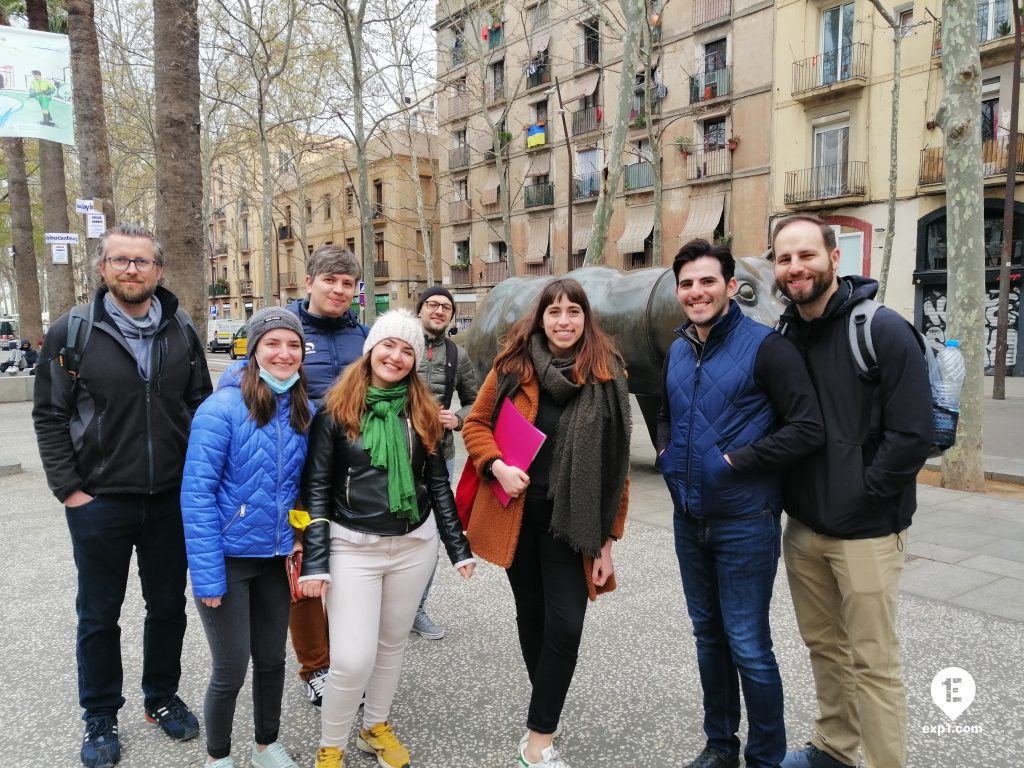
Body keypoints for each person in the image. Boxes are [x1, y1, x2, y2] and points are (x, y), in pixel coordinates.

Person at [33, 223, 212, 768]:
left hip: (170, 500)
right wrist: (70, 490)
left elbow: (201, 405)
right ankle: (100, 712)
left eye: (141, 261)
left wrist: (201, 484)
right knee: (98, 614)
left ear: (159, 270)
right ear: (103, 268)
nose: (131, 270)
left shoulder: (181, 328)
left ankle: (159, 698)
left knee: (167, 608)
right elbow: (50, 416)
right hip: (100, 501)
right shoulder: (72, 332)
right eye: (120, 260)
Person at [655, 240, 824, 768]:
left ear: (730, 287)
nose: (696, 292)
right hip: (690, 520)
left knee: (748, 644)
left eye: (707, 281)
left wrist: (734, 463)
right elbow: (663, 411)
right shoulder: (679, 347)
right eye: (686, 283)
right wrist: (664, 453)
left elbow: (808, 427)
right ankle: (720, 746)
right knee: (708, 638)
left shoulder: (766, 347)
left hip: (745, 521)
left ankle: (766, 757)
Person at [771, 215, 933, 768]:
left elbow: (915, 434)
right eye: (784, 258)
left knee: (874, 662)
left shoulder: (883, 330)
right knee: (825, 649)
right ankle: (835, 748)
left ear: (834, 258)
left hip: (866, 530)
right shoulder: (786, 335)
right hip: (805, 531)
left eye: (806, 255)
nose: (796, 268)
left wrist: (862, 495)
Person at [462, 278, 631, 768]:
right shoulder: (513, 366)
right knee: (532, 618)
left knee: (567, 626)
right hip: (518, 517)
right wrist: (495, 464)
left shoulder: (607, 373)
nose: (563, 321)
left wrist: (608, 541)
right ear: (540, 318)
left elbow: (618, 467)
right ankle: (547, 706)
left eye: (572, 312)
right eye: (553, 312)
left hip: (573, 524)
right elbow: (475, 425)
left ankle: (537, 739)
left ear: (586, 319)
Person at [298, 309, 475, 768]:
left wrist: (458, 547)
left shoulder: (422, 413)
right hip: (352, 545)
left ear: (416, 360)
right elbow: (315, 489)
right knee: (352, 659)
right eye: (389, 346)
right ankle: (331, 746)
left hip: (414, 545)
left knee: (391, 646)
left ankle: (374, 726)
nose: (396, 356)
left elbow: (437, 484)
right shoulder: (335, 412)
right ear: (371, 349)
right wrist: (315, 561)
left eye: (406, 350)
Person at [181, 307, 313, 768]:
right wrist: (208, 577)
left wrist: (299, 536)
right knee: (231, 668)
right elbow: (196, 494)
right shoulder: (221, 408)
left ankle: (265, 745)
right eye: (273, 343)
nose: (284, 353)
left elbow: (302, 487)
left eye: (293, 345)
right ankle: (218, 758)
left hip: (275, 559)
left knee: (273, 659)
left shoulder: (302, 408)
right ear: (255, 349)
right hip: (228, 561)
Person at [285, 245, 368, 707]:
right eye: (330, 280)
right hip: (297, 478)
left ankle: (349, 660)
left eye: (347, 283)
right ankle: (315, 668)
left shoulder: (366, 337)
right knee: (302, 571)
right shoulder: (286, 331)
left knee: (349, 570)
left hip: (352, 479)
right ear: (310, 282)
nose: (338, 290)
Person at [411, 285, 479, 640]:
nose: (439, 311)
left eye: (446, 308)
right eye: (433, 305)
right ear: (419, 308)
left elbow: (477, 400)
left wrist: (459, 418)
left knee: (432, 534)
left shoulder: (458, 355)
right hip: (396, 452)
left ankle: (415, 609)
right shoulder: (400, 342)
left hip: (441, 455)